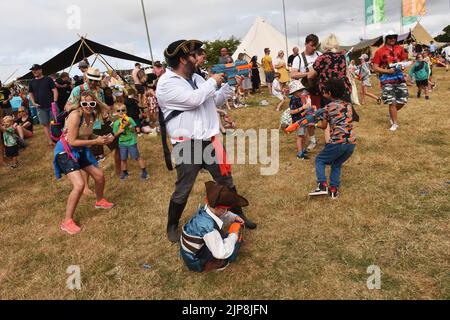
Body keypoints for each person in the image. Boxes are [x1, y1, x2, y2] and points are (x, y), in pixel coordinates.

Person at [156, 39, 256, 242]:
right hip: (187, 144)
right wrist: (213, 81)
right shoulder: (166, 84)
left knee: (226, 181)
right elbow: (194, 99)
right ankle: (172, 225)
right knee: (184, 187)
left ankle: (239, 215)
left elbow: (213, 101)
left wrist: (228, 86)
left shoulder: (198, 79)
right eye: (195, 55)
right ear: (183, 59)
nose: (199, 58)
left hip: (209, 141)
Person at [53, 91, 115, 235]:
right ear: (80, 103)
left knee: (99, 176)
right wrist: (96, 141)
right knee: (79, 185)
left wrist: (103, 138)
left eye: (91, 103)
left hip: (80, 150)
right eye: (84, 103)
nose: (88, 106)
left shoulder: (92, 115)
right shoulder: (76, 115)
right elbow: (73, 140)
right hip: (66, 151)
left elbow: (86, 134)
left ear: (95, 104)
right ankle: (66, 221)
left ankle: (100, 201)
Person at [180, 181, 246, 272]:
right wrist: (233, 235)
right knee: (231, 252)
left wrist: (234, 217)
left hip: (191, 249)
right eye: (225, 209)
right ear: (220, 208)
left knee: (224, 238)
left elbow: (221, 215)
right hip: (196, 259)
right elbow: (220, 253)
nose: (226, 211)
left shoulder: (206, 210)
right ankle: (214, 264)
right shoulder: (209, 229)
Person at [309, 78, 356, 199]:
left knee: (320, 160)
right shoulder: (349, 105)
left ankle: (322, 185)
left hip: (337, 142)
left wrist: (313, 124)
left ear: (329, 93)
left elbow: (324, 126)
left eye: (324, 91)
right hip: (351, 143)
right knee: (336, 163)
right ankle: (334, 190)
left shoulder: (328, 107)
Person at [307, 34, 354, 143]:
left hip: (328, 91)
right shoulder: (342, 56)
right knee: (343, 114)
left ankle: (329, 141)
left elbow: (310, 75)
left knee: (328, 117)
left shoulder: (322, 58)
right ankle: (345, 137)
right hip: (343, 89)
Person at [290, 34, 322, 152]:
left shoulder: (319, 55)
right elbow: (293, 74)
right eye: (312, 45)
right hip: (305, 92)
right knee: (309, 117)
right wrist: (307, 73)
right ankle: (313, 140)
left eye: (315, 46)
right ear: (306, 44)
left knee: (322, 115)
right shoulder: (298, 58)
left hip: (319, 91)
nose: (314, 48)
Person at [372, 31, 409, 131]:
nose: (393, 39)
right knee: (391, 101)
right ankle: (394, 123)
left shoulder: (400, 49)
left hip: (399, 77)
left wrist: (402, 66)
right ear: (386, 38)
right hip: (386, 79)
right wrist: (387, 71)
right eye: (390, 37)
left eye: (394, 37)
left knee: (403, 100)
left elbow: (404, 60)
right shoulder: (379, 51)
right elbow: (375, 67)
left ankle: (392, 114)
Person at [112, 103, 149, 180]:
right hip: (122, 143)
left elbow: (135, 130)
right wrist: (119, 132)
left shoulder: (130, 119)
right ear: (115, 112)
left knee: (136, 157)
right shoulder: (116, 123)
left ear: (126, 111)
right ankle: (124, 172)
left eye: (123, 110)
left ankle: (144, 171)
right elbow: (114, 135)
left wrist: (129, 125)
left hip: (131, 142)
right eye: (118, 111)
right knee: (123, 158)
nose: (121, 112)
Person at [28, 64, 58, 146]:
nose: (34, 71)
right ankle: (50, 141)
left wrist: (54, 102)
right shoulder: (32, 82)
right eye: (33, 70)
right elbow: (30, 93)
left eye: (36, 69)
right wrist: (33, 103)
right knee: (45, 125)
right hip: (40, 108)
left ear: (40, 70)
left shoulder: (48, 79)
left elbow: (54, 90)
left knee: (54, 123)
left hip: (51, 106)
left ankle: (57, 139)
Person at [288, 80, 311, 160]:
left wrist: (306, 109)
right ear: (294, 92)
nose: (302, 91)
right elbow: (292, 111)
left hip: (303, 119)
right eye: (299, 90)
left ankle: (303, 149)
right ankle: (300, 153)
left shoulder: (299, 98)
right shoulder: (293, 100)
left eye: (301, 90)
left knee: (304, 135)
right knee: (300, 136)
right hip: (298, 121)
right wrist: (302, 108)